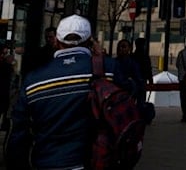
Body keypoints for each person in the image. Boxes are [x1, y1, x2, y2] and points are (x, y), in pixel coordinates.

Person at [5, 15, 119, 169]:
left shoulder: (33, 80)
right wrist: (101, 56)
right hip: (94, 161)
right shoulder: (109, 70)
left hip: (47, 162)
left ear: (57, 42)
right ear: (90, 41)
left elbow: (18, 134)